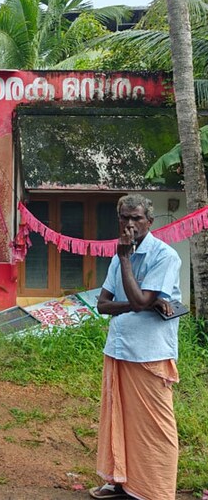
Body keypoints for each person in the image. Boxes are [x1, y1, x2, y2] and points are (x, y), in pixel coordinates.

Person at [89, 194, 181, 500]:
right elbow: (103, 305)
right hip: (118, 348)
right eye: (124, 218)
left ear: (149, 222)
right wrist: (141, 303)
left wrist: (128, 264)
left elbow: (141, 301)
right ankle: (120, 482)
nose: (129, 224)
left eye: (136, 218)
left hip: (150, 353)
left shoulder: (164, 256)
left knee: (156, 428)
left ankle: (155, 491)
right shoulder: (118, 257)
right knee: (118, 420)